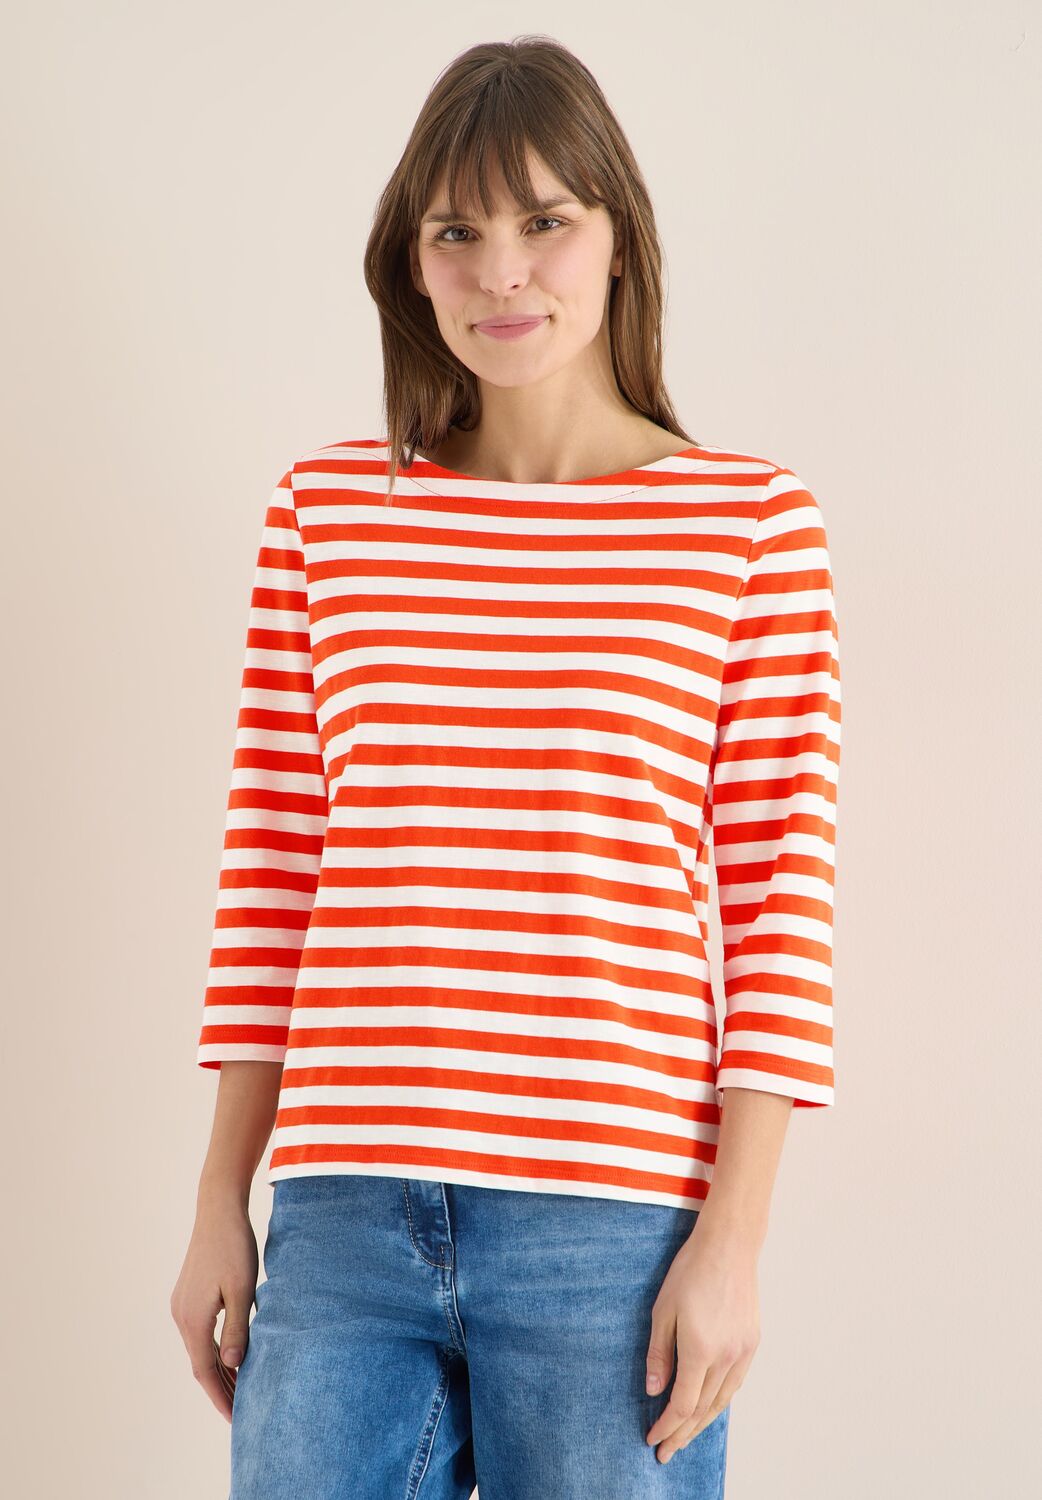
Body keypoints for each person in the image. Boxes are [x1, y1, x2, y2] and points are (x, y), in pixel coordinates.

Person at [170, 33, 842, 1499]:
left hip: (612, 1221)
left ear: (618, 236)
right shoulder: (328, 514)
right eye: (456, 233)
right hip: (343, 1212)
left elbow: (778, 902)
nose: (501, 273)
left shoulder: (746, 527)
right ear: (410, 265)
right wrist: (223, 1197)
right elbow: (276, 865)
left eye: (545, 220)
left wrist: (733, 1243)